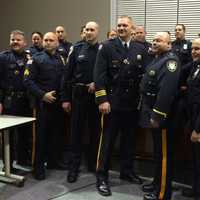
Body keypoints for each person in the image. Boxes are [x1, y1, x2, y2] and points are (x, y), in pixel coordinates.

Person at [94, 15, 147, 196]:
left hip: (132, 104)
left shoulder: (140, 48)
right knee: (107, 142)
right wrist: (102, 100)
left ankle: (126, 171)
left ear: (132, 29)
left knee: (129, 141)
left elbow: (144, 75)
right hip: (112, 103)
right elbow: (99, 76)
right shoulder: (107, 47)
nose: (121, 28)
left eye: (125, 25)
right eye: (119, 25)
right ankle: (102, 177)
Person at [139, 32, 180, 200]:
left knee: (164, 156)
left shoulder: (171, 61)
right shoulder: (157, 58)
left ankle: (162, 194)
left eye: (160, 40)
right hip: (152, 112)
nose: (155, 43)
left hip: (163, 117)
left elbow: (166, 92)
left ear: (169, 44)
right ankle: (157, 183)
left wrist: (157, 116)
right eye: (154, 40)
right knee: (158, 153)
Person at [61, 21, 100, 183]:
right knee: (76, 133)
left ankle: (93, 164)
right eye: (87, 30)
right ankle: (73, 168)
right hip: (79, 96)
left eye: (92, 30)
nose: (89, 32)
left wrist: (97, 82)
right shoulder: (76, 49)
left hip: (96, 97)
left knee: (95, 132)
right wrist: (65, 98)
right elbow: (67, 75)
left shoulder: (103, 49)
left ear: (97, 32)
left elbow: (107, 73)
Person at [24, 32, 66, 180]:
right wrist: (43, 95)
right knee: (40, 138)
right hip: (41, 105)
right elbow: (28, 81)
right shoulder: (35, 59)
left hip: (56, 105)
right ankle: (38, 168)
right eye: (46, 40)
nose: (47, 42)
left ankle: (54, 162)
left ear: (57, 43)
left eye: (51, 40)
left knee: (56, 135)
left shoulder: (60, 59)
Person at [0, 30, 32, 170]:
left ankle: (23, 159)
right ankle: (8, 165)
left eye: (18, 40)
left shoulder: (29, 58)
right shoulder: (3, 57)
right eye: (13, 39)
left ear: (24, 42)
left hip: (25, 101)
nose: (15, 42)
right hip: (10, 101)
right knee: (9, 135)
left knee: (25, 132)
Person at [184, 38, 200, 200]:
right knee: (195, 159)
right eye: (193, 48)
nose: (194, 51)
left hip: (199, 122)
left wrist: (197, 129)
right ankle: (196, 190)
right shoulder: (195, 65)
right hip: (192, 116)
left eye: (198, 49)